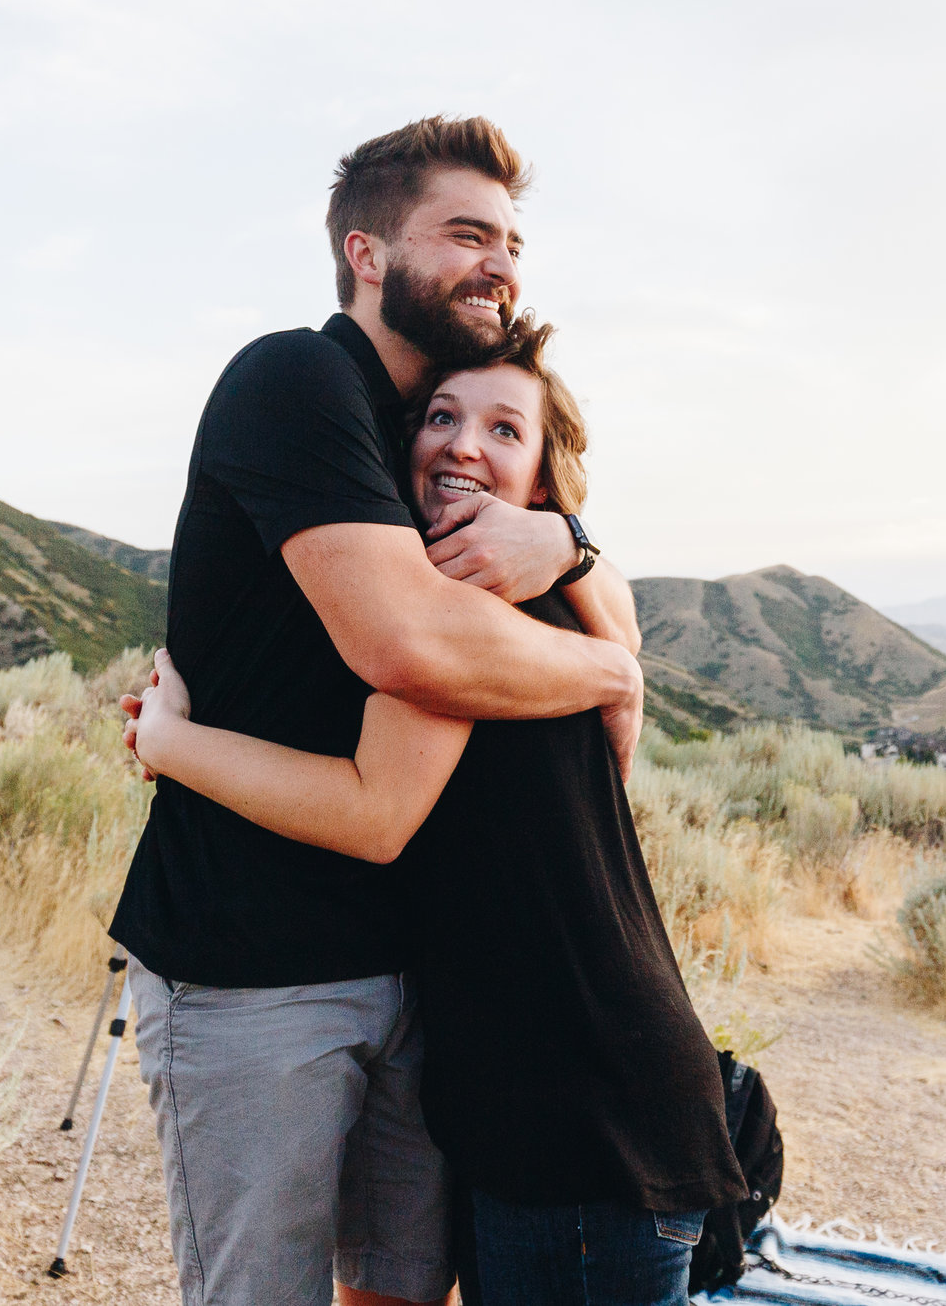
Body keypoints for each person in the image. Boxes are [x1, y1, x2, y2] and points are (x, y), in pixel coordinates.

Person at [107, 117, 648, 1306]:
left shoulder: (426, 436)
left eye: (511, 240)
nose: (500, 262)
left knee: (401, 1291)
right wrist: (610, 672)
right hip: (252, 962)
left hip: (412, 961)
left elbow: (573, 551)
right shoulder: (294, 379)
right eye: (466, 233)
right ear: (365, 249)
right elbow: (409, 642)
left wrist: (567, 541)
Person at [126, 319, 749, 1306]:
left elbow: (377, 814)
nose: (463, 442)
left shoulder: (467, 629)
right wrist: (586, 572)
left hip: (575, 1118)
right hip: (572, 1098)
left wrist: (170, 745)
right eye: (442, 416)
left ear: (543, 480)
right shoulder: (551, 611)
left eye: (505, 429)